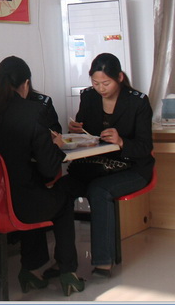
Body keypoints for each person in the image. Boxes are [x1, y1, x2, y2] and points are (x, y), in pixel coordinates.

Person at [0, 56, 84, 296]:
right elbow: (50, 170)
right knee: (61, 196)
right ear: (26, 84)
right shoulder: (34, 112)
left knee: (33, 191)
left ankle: (32, 269)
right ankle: (68, 272)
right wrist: (55, 145)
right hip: (20, 207)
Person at [60, 53, 154, 277]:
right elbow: (85, 134)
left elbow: (145, 146)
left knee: (99, 190)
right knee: (60, 190)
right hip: (94, 166)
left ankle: (103, 261)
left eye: (106, 83)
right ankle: (64, 262)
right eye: (95, 83)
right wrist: (76, 130)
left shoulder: (138, 101)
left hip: (132, 168)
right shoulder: (89, 96)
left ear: (119, 77)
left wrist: (121, 142)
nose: (100, 88)